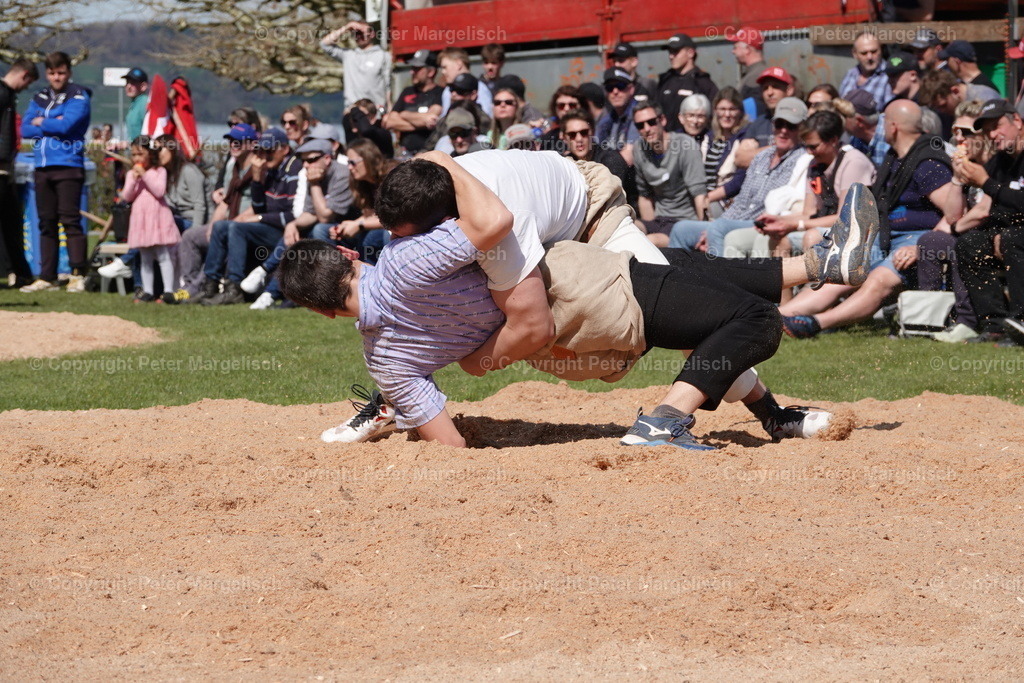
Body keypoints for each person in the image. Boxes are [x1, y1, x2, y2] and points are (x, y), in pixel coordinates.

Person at [276, 162, 879, 449]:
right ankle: (667, 422)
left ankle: (818, 269)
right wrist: (442, 159)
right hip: (576, 282)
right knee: (743, 317)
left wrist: (431, 380)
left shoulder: (385, 357)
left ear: (323, 313)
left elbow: (449, 445)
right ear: (348, 253)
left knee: (685, 279)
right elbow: (493, 228)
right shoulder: (413, 255)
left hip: (564, 331)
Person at [781, 100, 964, 338]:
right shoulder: (895, 157)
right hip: (885, 235)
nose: (881, 127)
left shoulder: (928, 163)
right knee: (839, 269)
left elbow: (954, 212)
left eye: (884, 122)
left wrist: (921, 246)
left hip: (915, 239)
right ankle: (777, 317)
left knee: (878, 280)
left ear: (894, 126)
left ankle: (813, 324)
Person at [671, 97, 809, 256]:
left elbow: (774, 206)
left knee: (718, 228)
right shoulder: (762, 156)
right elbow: (742, 200)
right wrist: (719, 223)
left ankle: (716, 272)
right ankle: (676, 272)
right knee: (681, 229)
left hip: (762, 222)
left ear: (801, 129)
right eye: (779, 124)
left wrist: (718, 226)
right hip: (736, 220)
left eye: (791, 126)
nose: (783, 131)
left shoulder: (801, 159)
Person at [755, 110, 876, 276]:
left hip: (858, 233)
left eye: (813, 146)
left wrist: (795, 226)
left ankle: (816, 290)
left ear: (833, 140)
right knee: (780, 239)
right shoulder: (814, 164)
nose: (809, 152)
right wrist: (779, 221)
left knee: (812, 237)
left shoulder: (853, 162)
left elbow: (846, 218)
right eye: (806, 146)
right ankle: (782, 293)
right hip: (827, 226)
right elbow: (808, 213)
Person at [160, 122, 259, 302]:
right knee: (190, 236)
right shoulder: (232, 168)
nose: (234, 145)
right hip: (227, 223)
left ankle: (196, 290)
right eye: (231, 141)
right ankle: (188, 285)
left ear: (252, 144)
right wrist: (213, 226)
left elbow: (259, 203)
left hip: (249, 225)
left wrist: (231, 224)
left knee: (220, 239)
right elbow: (225, 202)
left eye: (239, 141)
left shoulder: (259, 168)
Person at [198, 128, 298, 305]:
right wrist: (258, 180)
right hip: (269, 226)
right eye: (262, 150)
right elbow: (260, 206)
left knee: (236, 227)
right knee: (220, 226)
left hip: (285, 231)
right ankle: (209, 285)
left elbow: (293, 214)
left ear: (285, 149)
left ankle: (234, 288)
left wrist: (260, 218)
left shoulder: (293, 170)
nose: (265, 155)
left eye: (270, 150)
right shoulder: (270, 170)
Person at [19, 52, 92, 294]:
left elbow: (67, 125)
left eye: (61, 73)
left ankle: (77, 274)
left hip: (69, 164)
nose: (56, 77)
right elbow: (25, 129)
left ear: (69, 72)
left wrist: (42, 121)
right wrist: (52, 122)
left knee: (70, 221)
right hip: (42, 167)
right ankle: (47, 276)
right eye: (52, 73)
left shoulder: (79, 96)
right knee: (46, 222)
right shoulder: (39, 97)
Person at [953, 99, 1024, 346]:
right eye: (988, 130)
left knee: (1013, 238)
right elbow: (996, 209)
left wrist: (986, 183)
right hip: (1012, 231)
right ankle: (996, 325)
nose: (993, 135)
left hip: (1018, 235)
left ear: (1017, 121)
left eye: (997, 126)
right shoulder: (1000, 161)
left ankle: (1021, 321)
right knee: (970, 243)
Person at [921, 100, 989, 343]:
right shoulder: (968, 165)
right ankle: (928, 319)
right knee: (931, 241)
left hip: (998, 233)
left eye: (966, 132)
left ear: (985, 134)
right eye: (955, 131)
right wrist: (958, 179)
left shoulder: (996, 164)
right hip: (973, 231)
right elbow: (952, 216)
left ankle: (967, 321)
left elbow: (984, 211)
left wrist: (954, 228)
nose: (959, 138)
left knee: (963, 243)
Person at [632, 103, 706, 246]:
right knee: (625, 228)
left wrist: (704, 232)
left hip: (683, 222)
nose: (647, 129)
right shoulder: (639, 149)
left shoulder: (685, 145)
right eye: (640, 125)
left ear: (662, 120)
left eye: (651, 122)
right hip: (659, 220)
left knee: (648, 243)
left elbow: (699, 194)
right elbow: (645, 195)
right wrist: (650, 226)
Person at [121, 136, 179, 303]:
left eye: (140, 154)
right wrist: (133, 180)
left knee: (163, 254)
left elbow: (159, 191)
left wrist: (145, 175)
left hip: (157, 218)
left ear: (150, 154)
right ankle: (148, 290)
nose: (136, 158)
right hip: (141, 219)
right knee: (145, 257)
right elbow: (127, 196)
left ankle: (168, 290)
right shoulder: (131, 174)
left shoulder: (159, 171)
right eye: (134, 155)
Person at [0, 59, 38, 289]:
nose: (26, 87)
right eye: (28, 83)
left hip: (6, 168)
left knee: (11, 221)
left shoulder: (8, 95)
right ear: (24, 75)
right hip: (1, 167)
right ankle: (19, 272)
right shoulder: (2, 94)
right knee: (10, 222)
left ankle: (20, 273)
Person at [560, 108, 635, 208]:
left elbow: (608, 201)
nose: (579, 139)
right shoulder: (564, 163)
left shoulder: (611, 159)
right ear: (564, 138)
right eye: (572, 135)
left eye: (584, 132)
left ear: (593, 132)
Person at [320, 20, 391, 109]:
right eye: (356, 33)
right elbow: (324, 44)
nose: (359, 36)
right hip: (353, 109)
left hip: (376, 109)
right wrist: (347, 27)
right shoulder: (348, 55)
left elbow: (388, 84)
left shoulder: (383, 56)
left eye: (362, 33)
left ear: (372, 34)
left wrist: (389, 106)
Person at [656, 33, 718, 134]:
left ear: (690, 53)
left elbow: (714, 116)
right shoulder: (665, 81)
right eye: (670, 52)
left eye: (675, 52)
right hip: (667, 140)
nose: (671, 56)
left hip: (694, 140)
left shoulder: (703, 83)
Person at [383, 49, 442, 155]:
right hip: (405, 153)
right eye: (412, 68)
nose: (412, 72)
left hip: (429, 153)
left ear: (431, 72)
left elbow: (432, 119)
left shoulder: (440, 93)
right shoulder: (407, 91)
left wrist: (404, 114)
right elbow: (390, 121)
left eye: (417, 69)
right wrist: (422, 121)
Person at [155, 134, 209, 233]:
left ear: (171, 149)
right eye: (154, 151)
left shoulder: (189, 170)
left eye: (160, 149)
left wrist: (194, 235)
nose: (157, 154)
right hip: (179, 219)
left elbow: (199, 205)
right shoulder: (166, 174)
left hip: (195, 223)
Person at [595, 68, 640, 166]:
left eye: (620, 86)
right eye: (609, 88)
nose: (615, 92)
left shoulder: (639, 115)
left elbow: (628, 158)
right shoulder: (606, 120)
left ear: (631, 89)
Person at [838, 31, 891, 110]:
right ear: (855, 54)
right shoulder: (851, 74)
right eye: (864, 53)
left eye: (874, 52)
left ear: (881, 50)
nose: (869, 57)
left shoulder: (889, 76)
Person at [838, 89, 890, 166]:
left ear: (859, 121)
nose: (839, 120)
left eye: (843, 116)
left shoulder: (890, 136)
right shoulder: (855, 138)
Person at [438, 47, 493, 118]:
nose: (443, 72)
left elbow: (486, 118)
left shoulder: (480, 88)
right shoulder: (447, 90)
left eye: (445, 67)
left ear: (459, 64)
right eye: (452, 90)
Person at [726, 27, 767, 119]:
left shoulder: (756, 77)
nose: (733, 51)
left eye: (735, 47)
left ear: (747, 49)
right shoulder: (754, 74)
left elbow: (754, 115)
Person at [122, 67, 149, 142]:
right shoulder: (134, 104)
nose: (128, 86)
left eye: (133, 83)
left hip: (142, 147)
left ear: (143, 86)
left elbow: (149, 133)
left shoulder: (145, 103)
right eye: (127, 82)